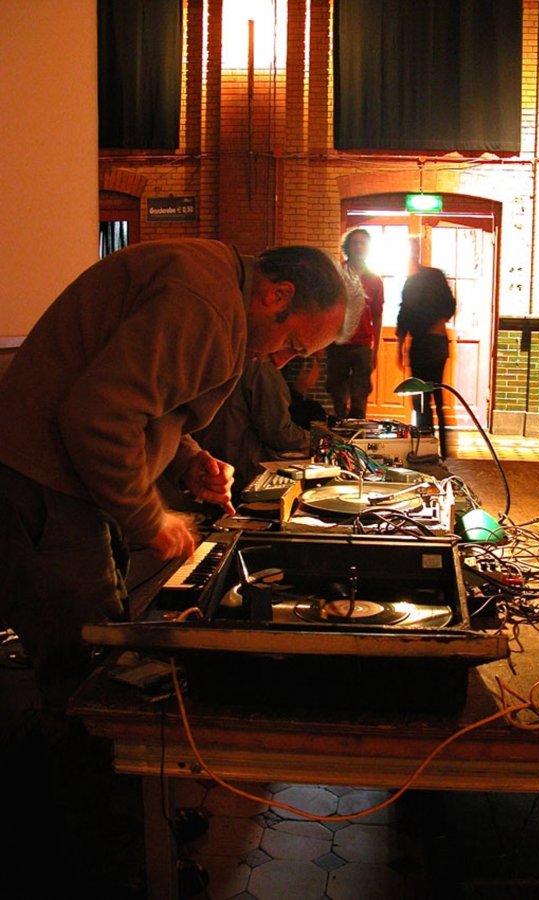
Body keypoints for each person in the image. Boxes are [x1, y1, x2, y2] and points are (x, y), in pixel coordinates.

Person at [0, 238, 350, 898]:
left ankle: (128, 831)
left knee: (103, 669)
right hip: (40, 490)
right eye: (291, 345)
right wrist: (149, 518)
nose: (280, 362)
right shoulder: (205, 305)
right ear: (275, 294)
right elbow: (96, 417)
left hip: (58, 485)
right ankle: (115, 871)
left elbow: (140, 401)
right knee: (90, 692)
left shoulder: (212, 283)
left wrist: (186, 458)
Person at [197, 357, 312, 505]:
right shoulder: (261, 367)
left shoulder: (221, 358)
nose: (281, 361)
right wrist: (313, 439)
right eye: (296, 347)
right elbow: (279, 433)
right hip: (240, 472)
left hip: (208, 464)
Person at [396, 238, 456, 460]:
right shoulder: (431, 277)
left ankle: (429, 449)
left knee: (423, 399)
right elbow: (449, 304)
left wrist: (401, 344)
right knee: (433, 398)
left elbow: (405, 314)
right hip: (433, 343)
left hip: (426, 344)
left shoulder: (420, 280)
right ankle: (439, 450)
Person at [325, 228, 384, 419]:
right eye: (355, 242)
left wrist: (376, 350)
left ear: (368, 248)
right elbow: (326, 308)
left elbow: (377, 316)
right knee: (337, 394)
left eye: (363, 243)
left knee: (360, 394)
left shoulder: (374, 280)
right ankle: (340, 430)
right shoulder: (336, 275)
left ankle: (357, 430)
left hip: (363, 345)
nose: (358, 246)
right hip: (338, 342)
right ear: (347, 247)